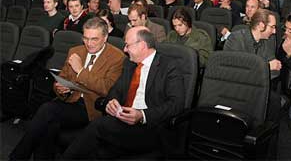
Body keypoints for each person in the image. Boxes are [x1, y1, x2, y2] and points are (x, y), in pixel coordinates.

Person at [9, 18, 125, 160]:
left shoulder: (117, 57)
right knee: (49, 123)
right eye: (86, 38)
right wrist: (60, 88)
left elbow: (106, 88)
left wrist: (80, 71)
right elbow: (62, 78)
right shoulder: (75, 51)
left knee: (47, 110)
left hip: (91, 107)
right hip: (70, 100)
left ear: (105, 37)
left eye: (94, 39)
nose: (89, 43)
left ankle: (17, 156)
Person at [62, 27, 185, 159]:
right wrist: (111, 102)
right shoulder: (129, 64)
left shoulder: (169, 66)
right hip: (123, 120)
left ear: (142, 46)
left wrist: (142, 115)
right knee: (97, 147)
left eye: (127, 45)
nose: (125, 50)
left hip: (151, 126)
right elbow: (115, 91)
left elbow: (176, 104)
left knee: (98, 126)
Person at [224, 9, 281, 122]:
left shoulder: (267, 40)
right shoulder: (236, 39)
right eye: (272, 27)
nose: (274, 31)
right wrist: (265, 67)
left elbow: (275, 70)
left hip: (258, 86)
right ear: (261, 25)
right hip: (236, 87)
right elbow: (236, 73)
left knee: (274, 101)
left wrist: (260, 70)